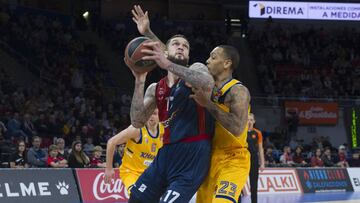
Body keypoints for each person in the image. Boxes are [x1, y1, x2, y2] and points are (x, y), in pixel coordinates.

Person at [127, 5, 215, 203]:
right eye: (176, 44)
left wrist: (167, 63)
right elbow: (137, 121)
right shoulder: (156, 88)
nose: (181, 46)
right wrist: (139, 81)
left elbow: (207, 83)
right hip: (166, 152)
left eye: (185, 45)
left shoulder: (196, 70)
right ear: (166, 51)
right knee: (136, 198)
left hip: (193, 153)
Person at [192, 45, 251, 203]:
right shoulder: (207, 88)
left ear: (226, 63)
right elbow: (174, 58)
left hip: (234, 158)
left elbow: (237, 128)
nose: (207, 60)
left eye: (213, 57)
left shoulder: (238, 91)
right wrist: (148, 33)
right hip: (209, 158)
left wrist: (208, 104)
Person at [104, 109, 164, 194]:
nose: (151, 116)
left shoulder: (164, 130)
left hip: (151, 173)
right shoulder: (136, 130)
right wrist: (109, 168)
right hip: (131, 172)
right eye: (148, 113)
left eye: (154, 113)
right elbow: (111, 142)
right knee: (137, 196)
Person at [242, 113, 264, 203]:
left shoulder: (258, 133)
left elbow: (260, 149)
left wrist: (262, 163)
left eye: (251, 120)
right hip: (242, 160)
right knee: (239, 184)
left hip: (254, 161)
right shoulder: (241, 132)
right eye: (247, 119)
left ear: (254, 121)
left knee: (254, 185)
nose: (249, 121)